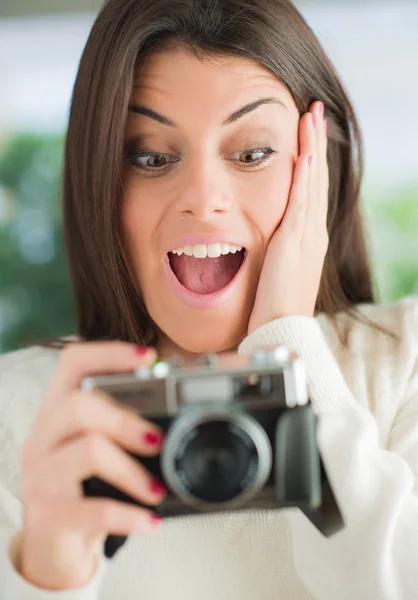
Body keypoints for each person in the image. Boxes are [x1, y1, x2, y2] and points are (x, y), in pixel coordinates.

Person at [0, 0, 417, 598]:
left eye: (251, 154)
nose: (202, 197)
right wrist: (46, 573)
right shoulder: (19, 416)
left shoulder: (404, 367)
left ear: (316, 167)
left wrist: (287, 347)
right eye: (149, 156)